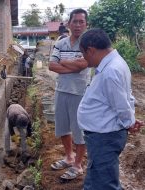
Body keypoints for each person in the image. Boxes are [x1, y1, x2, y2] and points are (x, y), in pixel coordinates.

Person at [77, 28, 144, 190]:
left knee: (105, 183)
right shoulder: (113, 64)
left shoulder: (111, 71)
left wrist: (129, 122)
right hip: (101, 136)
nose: (83, 58)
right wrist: (130, 120)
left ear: (91, 50)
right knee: (96, 177)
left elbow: (121, 104)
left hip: (105, 137)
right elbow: (126, 96)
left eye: (83, 54)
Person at [48, 8, 91, 181]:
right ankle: (69, 157)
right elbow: (51, 66)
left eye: (82, 21)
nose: (78, 24)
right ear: (69, 23)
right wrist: (73, 65)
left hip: (80, 93)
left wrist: (64, 63)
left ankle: (78, 165)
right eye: (75, 21)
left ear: (86, 24)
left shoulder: (88, 44)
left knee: (79, 130)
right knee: (63, 127)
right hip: (61, 90)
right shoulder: (60, 43)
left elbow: (84, 65)